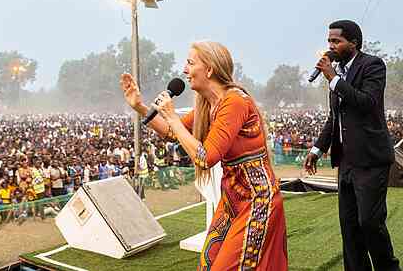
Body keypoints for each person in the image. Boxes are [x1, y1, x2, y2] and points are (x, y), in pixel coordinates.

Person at [121, 40, 287, 270]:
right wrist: (139, 105)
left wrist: (171, 117)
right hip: (232, 201)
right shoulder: (208, 104)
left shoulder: (234, 101)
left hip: (257, 202)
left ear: (209, 69)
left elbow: (205, 157)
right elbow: (172, 133)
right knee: (207, 263)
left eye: (190, 63)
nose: (184, 70)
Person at [304, 20, 399, 271]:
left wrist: (334, 79)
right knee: (349, 227)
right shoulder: (336, 73)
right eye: (329, 41)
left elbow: (366, 102)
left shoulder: (372, 65)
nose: (331, 46)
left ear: (353, 42)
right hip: (346, 161)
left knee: (369, 222)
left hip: (371, 160)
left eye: (336, 41)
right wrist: (317, 149)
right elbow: (335, 118)